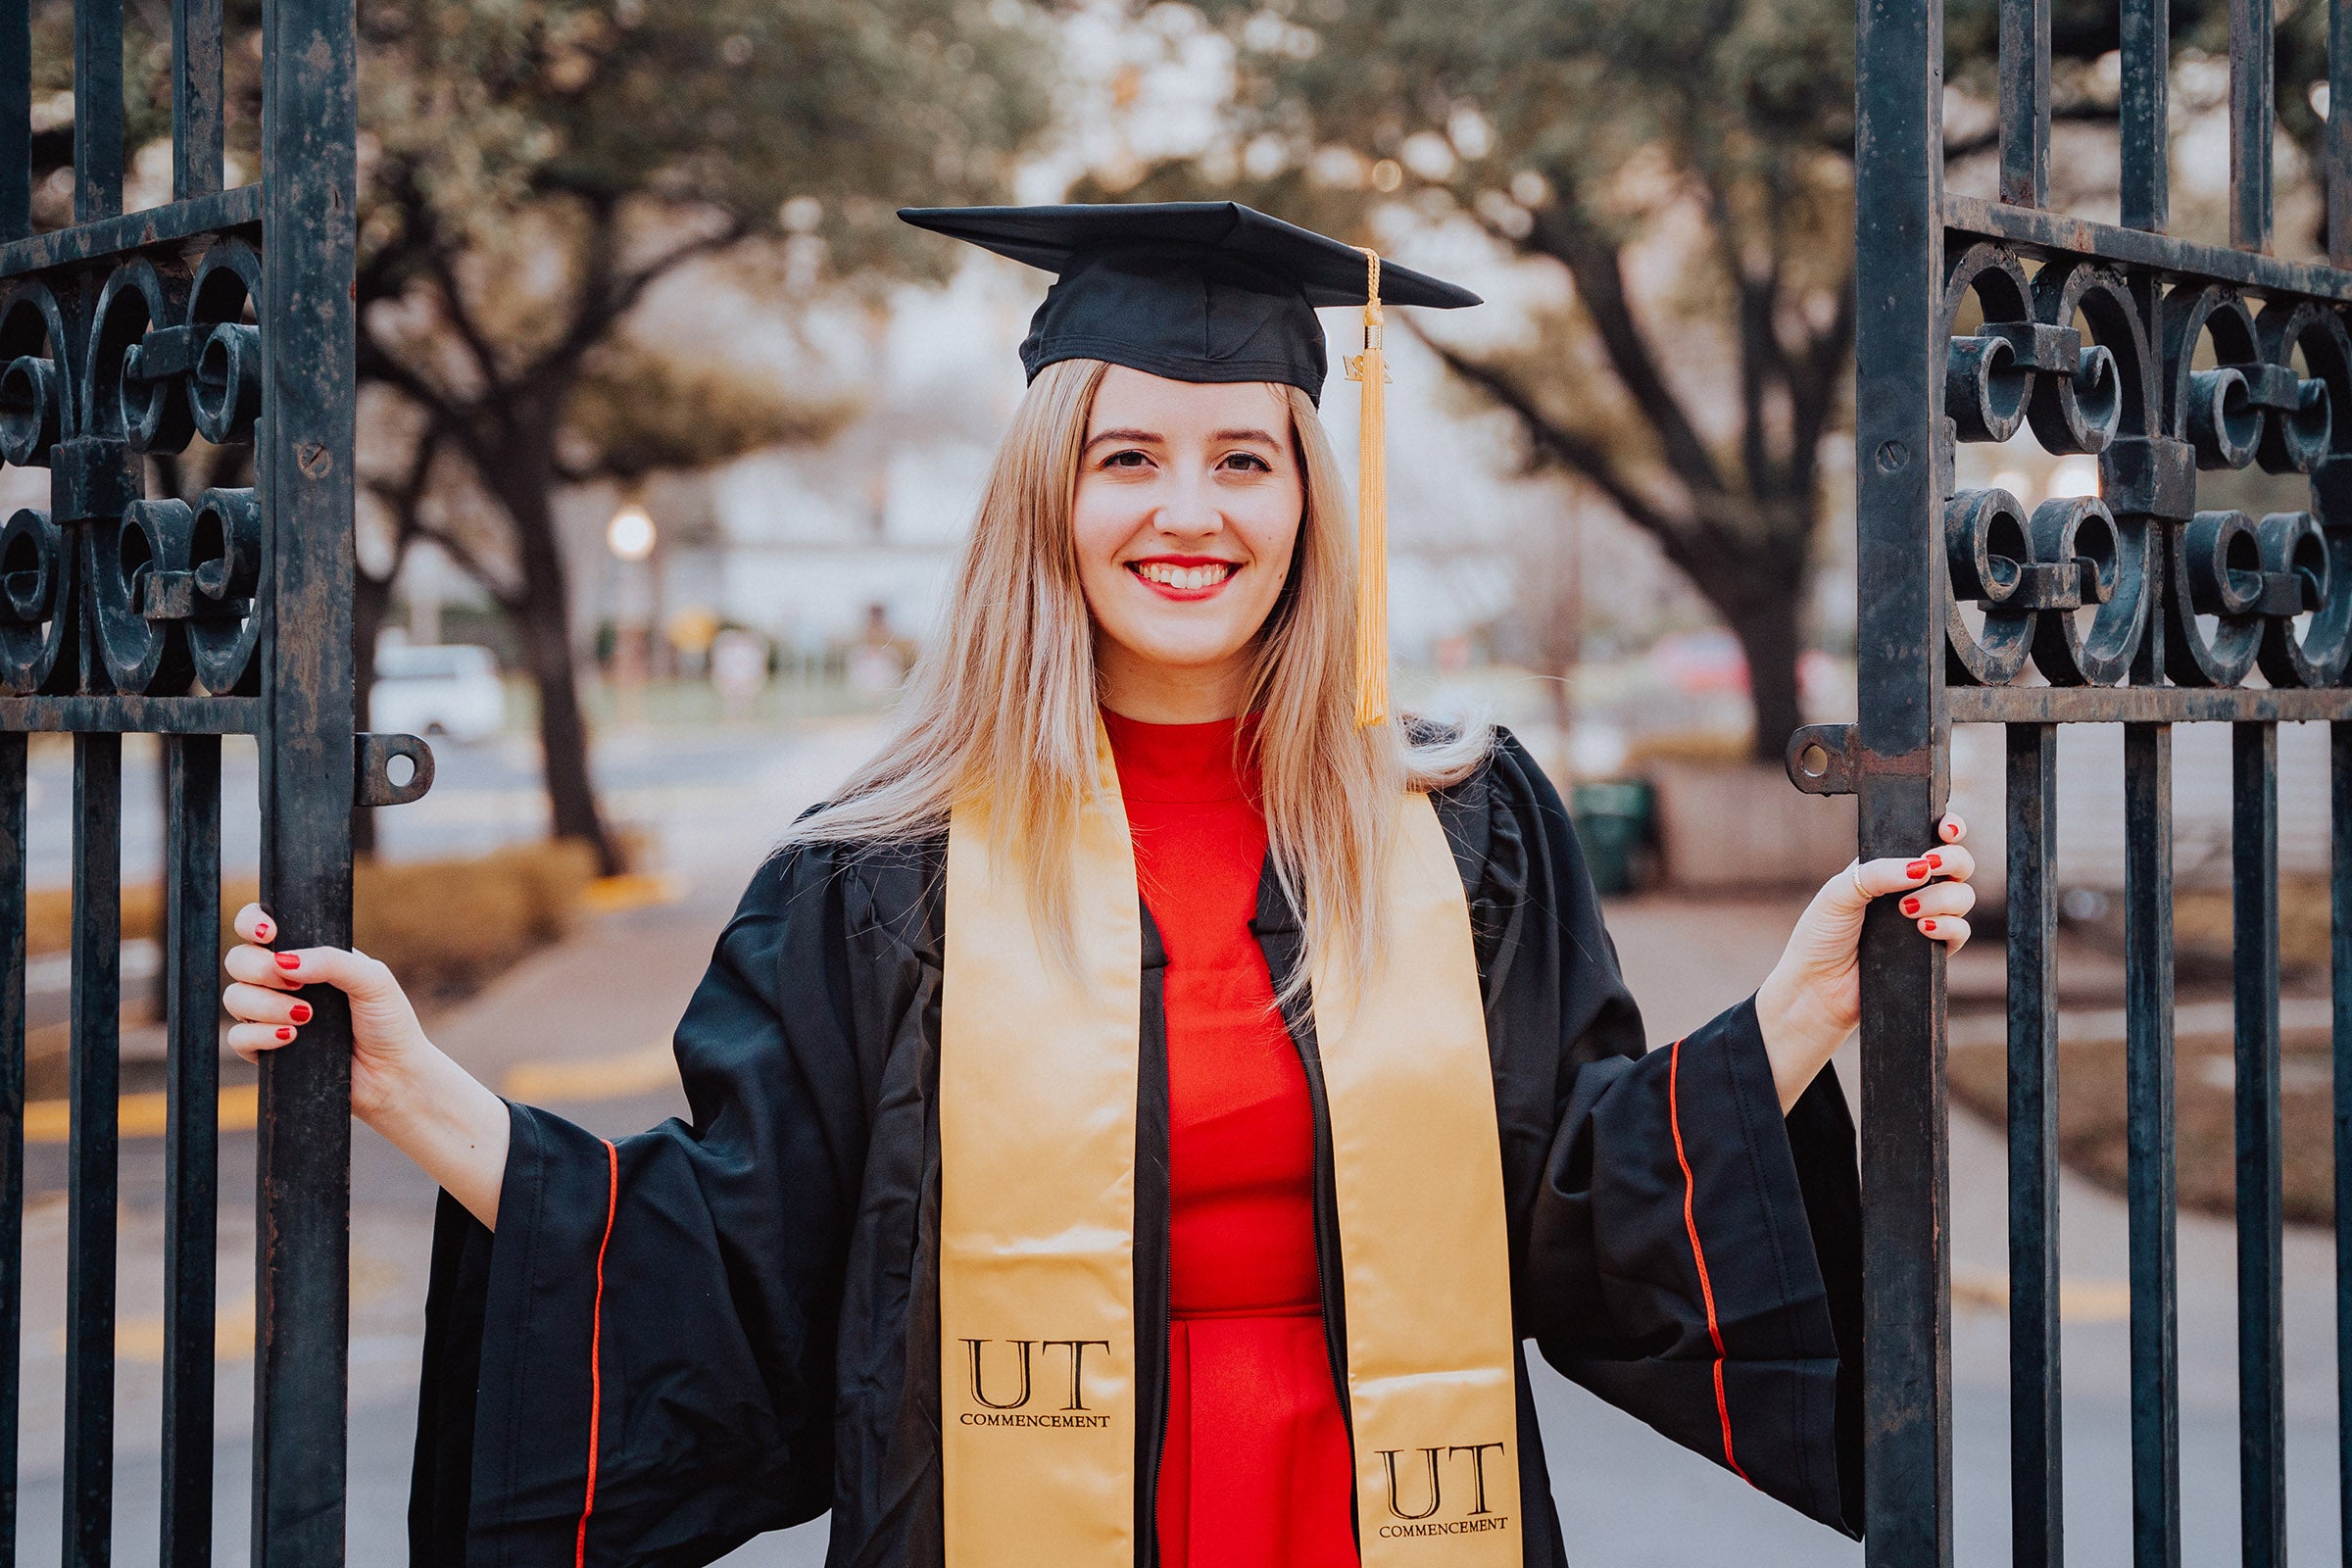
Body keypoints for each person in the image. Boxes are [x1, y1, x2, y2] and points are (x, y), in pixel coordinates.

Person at [220, 203, 1975, 1568]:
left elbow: (1578, 1194)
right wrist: (420, 1094)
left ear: (1309, 497)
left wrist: (1800, 1008)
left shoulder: (1453, 825)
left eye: (1244, 458)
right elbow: (738, 1271)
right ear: (1050, 494)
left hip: (1375, 1507)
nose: (1186, 512)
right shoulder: (886, 873)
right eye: (1128, 456)